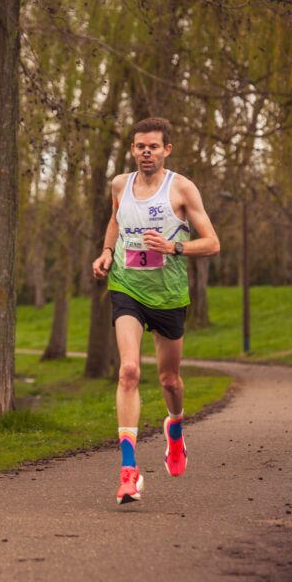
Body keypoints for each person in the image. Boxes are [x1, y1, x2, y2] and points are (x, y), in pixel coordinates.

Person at [92, 117, 220, 504]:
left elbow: (212, 243)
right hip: (126, 287)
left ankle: (175, 429)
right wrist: (107, 253)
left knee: (169, 381)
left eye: (153, 146)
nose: (145, 152)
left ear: (167, 150)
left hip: (168, 296)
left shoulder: (181, 189)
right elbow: (115, 220)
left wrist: (174, 248)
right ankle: (129, 473)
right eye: (139, 146)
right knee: (129, 370)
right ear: (132, 150)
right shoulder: (119, 185)